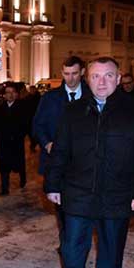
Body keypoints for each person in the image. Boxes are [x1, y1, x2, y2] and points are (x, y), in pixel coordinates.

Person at [45, 57, 134, 268]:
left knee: (111, 252)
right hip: (77, 194)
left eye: (109, 76)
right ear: (88, 79)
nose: (102, 82)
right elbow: (59, 151)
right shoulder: (73, 111)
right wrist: (52, 184)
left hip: (117, 196)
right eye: (96, 76)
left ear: (119, 79)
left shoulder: (132, 111)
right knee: (72, 252)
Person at [33, 56, 90, 250]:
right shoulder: (50, 98)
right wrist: (47, 143)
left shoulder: (91, 96)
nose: (70, 78)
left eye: (74, 74)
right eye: (66, 74)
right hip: (56, 162)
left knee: (81, 204)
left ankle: (77, 240)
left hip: (84, 163)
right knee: (61, 204)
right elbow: (38, 125)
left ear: (82, 72)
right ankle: (67, 240)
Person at [0, 82, 27, 195]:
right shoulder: (0, 108)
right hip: (3, 142)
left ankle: (23, 178)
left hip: (16, 141)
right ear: (4, 95)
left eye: (13, 92)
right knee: (4, 165)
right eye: (8, 92)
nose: (10, 95)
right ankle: (5, 188)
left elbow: (25, 124)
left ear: (17, 94)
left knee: (19, 163)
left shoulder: (22, 107)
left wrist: (20, 135)